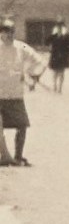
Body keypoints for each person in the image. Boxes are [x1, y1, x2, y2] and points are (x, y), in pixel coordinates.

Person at [0, 20, 35, 166]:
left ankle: (18, 156)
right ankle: (4, 156)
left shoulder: (22, 47)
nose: (9, 34)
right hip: (0, 94)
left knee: (22, 125)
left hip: (15, 95)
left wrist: (30, 75)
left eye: (12, 31)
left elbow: (38, 60)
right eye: (6, 31)